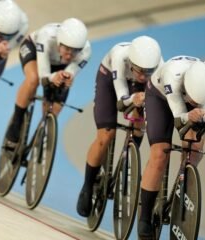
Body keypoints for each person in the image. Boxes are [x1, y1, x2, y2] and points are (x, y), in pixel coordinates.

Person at [76, 36, 163, 217]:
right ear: (131, 62)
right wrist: (134, 99)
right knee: (106, 135)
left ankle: (128, 156)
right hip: (110, 79)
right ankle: (87, 185)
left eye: (147, 72)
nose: (142, 75)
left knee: (141, 121)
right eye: (139, 71)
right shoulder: (119, 56)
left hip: (140, 88)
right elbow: (122, 101)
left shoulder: (158, 67)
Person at [137, 55, 205, 239]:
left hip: (187, 102)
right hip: (160, 97)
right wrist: (189, 115)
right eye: (193, 99)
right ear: (187, 88)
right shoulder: (173, 75)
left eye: (199, 102)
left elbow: (200, 119)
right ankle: (144, 217)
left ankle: (182, 184)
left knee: (195, 149)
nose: (196, 104)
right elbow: (179, 119)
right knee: (160, 153)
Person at [3, 18, 91, 150]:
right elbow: (43, 76)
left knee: (55, 106)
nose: (69, 55)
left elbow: (70, 72)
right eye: (67, 49)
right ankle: (17, 120)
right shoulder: (46, 37)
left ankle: (40, 134)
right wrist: (51, 78)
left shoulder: (86, 51)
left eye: (75, 51)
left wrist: (67, 78)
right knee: (33, 80)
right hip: (34, 50)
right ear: (59, 43)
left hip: (58, 65)